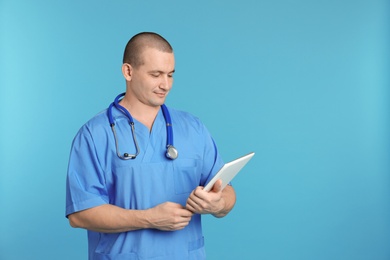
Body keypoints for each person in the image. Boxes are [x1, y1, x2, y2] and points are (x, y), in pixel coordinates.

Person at [65, 32, 236, 260]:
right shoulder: (95, 134)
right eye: (155, 74)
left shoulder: (192, 128)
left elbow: (227, 192)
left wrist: (218, 204)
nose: (165, 85)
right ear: (128, 71)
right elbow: (80, 214)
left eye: (170, 75)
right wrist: (149, 218)